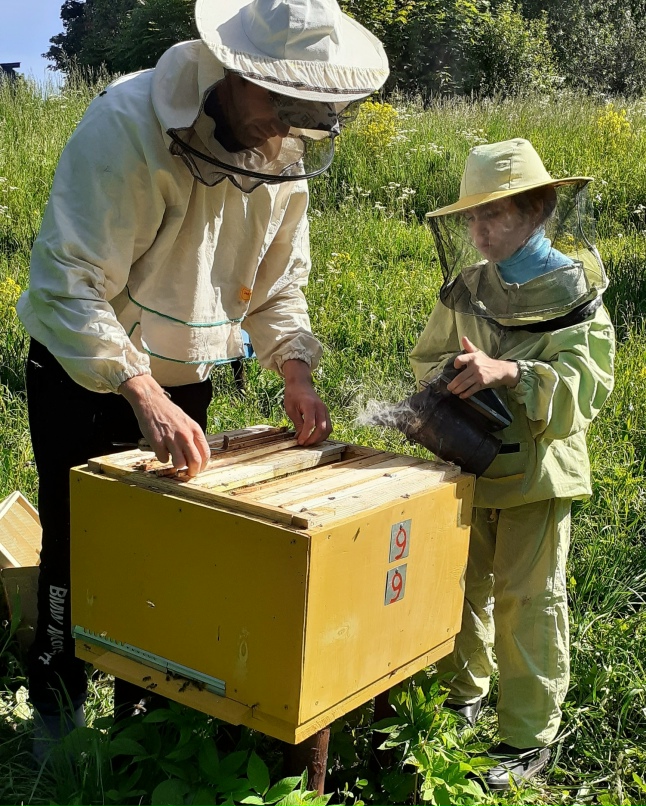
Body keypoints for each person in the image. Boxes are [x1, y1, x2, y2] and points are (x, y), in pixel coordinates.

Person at [16, 0, 388, 757]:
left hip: (181, 373)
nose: (285, 125)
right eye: (277, 102)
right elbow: (68, 280)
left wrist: (295, 369)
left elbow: (280, 285)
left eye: (305, 111)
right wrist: (137, 385)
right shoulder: (126, 126)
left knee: (165, 546)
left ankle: (143, 714)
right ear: (232, 70)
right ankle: (58, 721)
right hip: (84, 371)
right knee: (78, 544)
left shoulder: (279, 154)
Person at [410, 139, 615, 789]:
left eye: (493, 216)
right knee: (460, 589)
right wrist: (446, 377)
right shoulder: (467, 286)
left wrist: (514, 372)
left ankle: (528, 738)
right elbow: (426, 358)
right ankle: (462, 695)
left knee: (529, 604)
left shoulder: (572, 288)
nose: (478, 231)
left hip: (538, 472)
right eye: (471, 218)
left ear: (538, 211)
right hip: (469, 467)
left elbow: (588, 384)